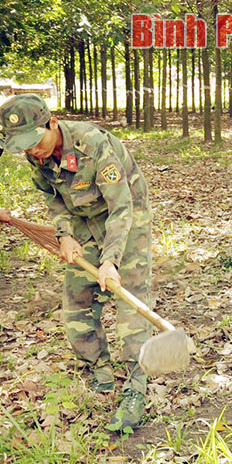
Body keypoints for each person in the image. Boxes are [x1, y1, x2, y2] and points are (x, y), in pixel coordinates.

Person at [0, 94, 153, 431]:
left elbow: (121, 208)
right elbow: (54, 199)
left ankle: (136, 387)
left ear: (52, 123)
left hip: (126, 218)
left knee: (130, 305)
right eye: (23, 145)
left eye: (35, 140)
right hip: (82, 221)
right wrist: (64, 234)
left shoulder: (92, 144)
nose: (32, 150)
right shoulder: (36, 155)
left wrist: (111, 260)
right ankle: (99, 367)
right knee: (77, 301)